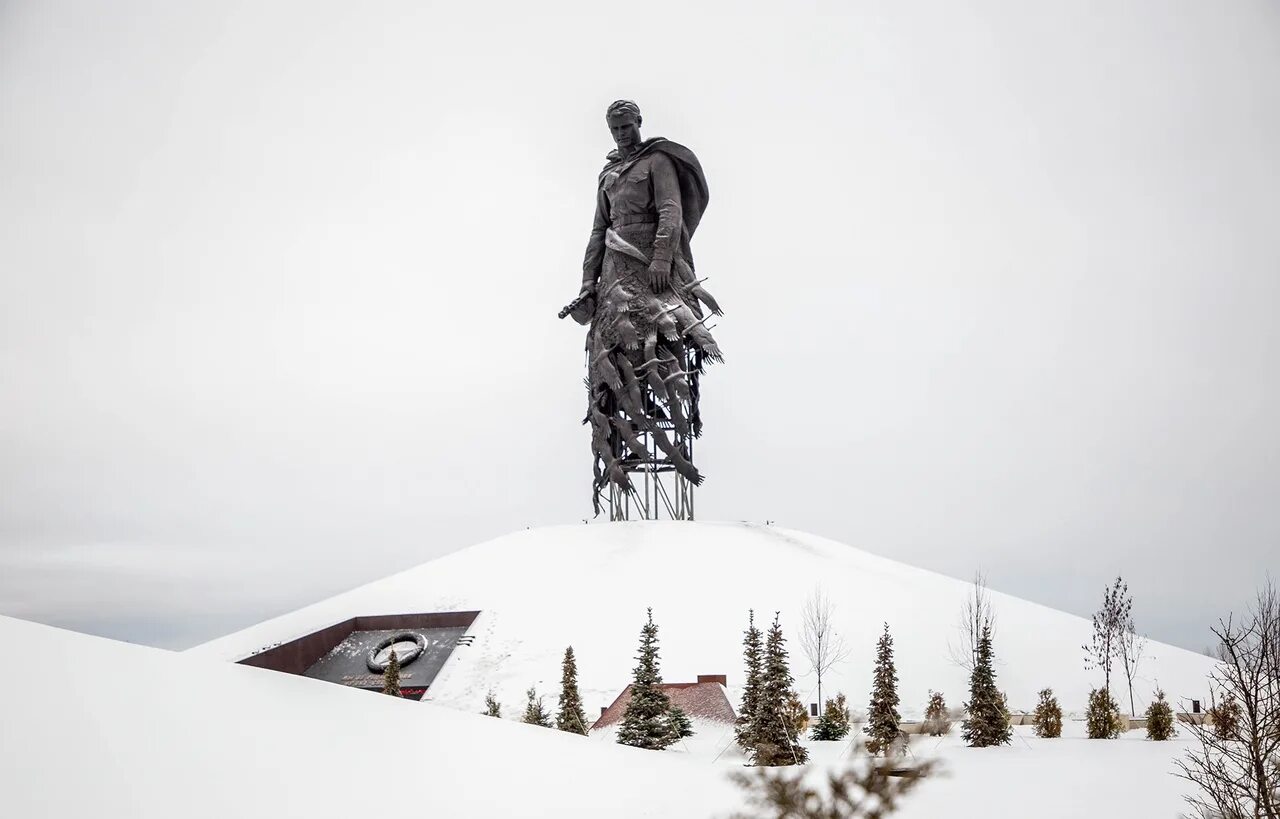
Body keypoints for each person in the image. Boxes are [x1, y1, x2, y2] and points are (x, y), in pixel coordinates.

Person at [562, 100, 723, 514]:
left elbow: (670, 210)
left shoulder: (657, 161)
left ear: (639, 123)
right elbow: (599, 229)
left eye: (626, 126)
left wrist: (663, 259)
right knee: (615, 354)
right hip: (616, 268)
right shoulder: (609, 175)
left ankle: (657, 415)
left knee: (658, 343)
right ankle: (629, 429)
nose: (621, 134)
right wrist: (587, 285)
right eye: (614, 128)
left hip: (653, 264)